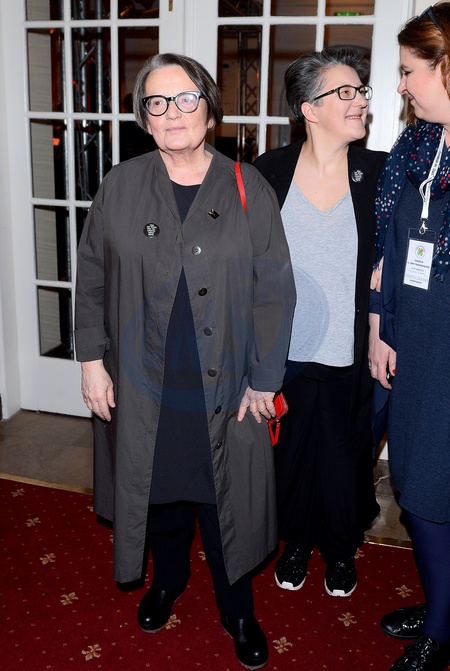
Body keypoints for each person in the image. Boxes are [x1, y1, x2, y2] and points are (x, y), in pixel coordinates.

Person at [74, 53, 296, 670]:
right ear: (144, 117)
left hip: (225, 383)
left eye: (186, 98)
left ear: (209, 107)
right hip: (142, 379)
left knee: (224, 500)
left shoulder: (248, 187)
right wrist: (90, 359)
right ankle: (168, 580)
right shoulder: (120, 185)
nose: (173, 113)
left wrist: (265, 378)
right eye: (157, 102)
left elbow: (276, 290)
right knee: (159, 492)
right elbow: (91, 277)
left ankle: (238, 610)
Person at [254, 47, 386, 598]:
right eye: (345, 93)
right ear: (309, 109)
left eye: (361, 91)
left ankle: (340, 548)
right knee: (288, 456)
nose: (360, 102)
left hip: (349, 349)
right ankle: (297, 542)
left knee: (344, 457)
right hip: (286, 350)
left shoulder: (379, 172)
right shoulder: (269, 171)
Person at [369, 4, 450, 670]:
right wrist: (381, 325)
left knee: (434, 490)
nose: (400, 85)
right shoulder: (419, 144)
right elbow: (389, 250)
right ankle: (443, 603)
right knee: (417, 487)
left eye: (409, 71)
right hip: (413, 343)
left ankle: (443, 630)